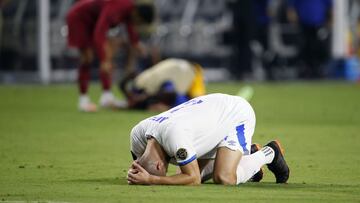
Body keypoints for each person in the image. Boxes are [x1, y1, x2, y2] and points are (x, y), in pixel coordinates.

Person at [127, 93, 290, 185]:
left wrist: (151, 179)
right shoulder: (138, 134)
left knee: (224, 178)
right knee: (182, 172)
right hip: (209, 115)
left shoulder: (176, 138)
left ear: (158, 164)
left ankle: (269, 153)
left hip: (234, 114)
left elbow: (193, 179)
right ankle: (243, 156)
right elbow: (137, 163)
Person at [66, 0, 154, 112]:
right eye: (139, 22)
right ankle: (83, 100)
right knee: (87, 58)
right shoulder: (117, 8)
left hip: (92, 22)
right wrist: (103, 60)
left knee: (108, 55)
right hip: (79, 18)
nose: (137, 24)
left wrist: (135, 43)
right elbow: (99, 32)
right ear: (137, 14)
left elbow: (129, 25)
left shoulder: (129, 10)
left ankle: (106, 97)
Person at [119, 58, 206, 111]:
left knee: (196, 102)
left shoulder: (141, 86)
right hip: (186, 69)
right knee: (193, 102)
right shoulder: (145, 87)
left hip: (187, 69)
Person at [287, 0, 332, 79]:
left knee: (319, 46)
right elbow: (291, 7)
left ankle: (318, 68)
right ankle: (306, 68)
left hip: (319, 23)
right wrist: (293, 17)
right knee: (305, 46)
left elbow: (330, 7)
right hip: (303, 23)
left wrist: (330, 21)